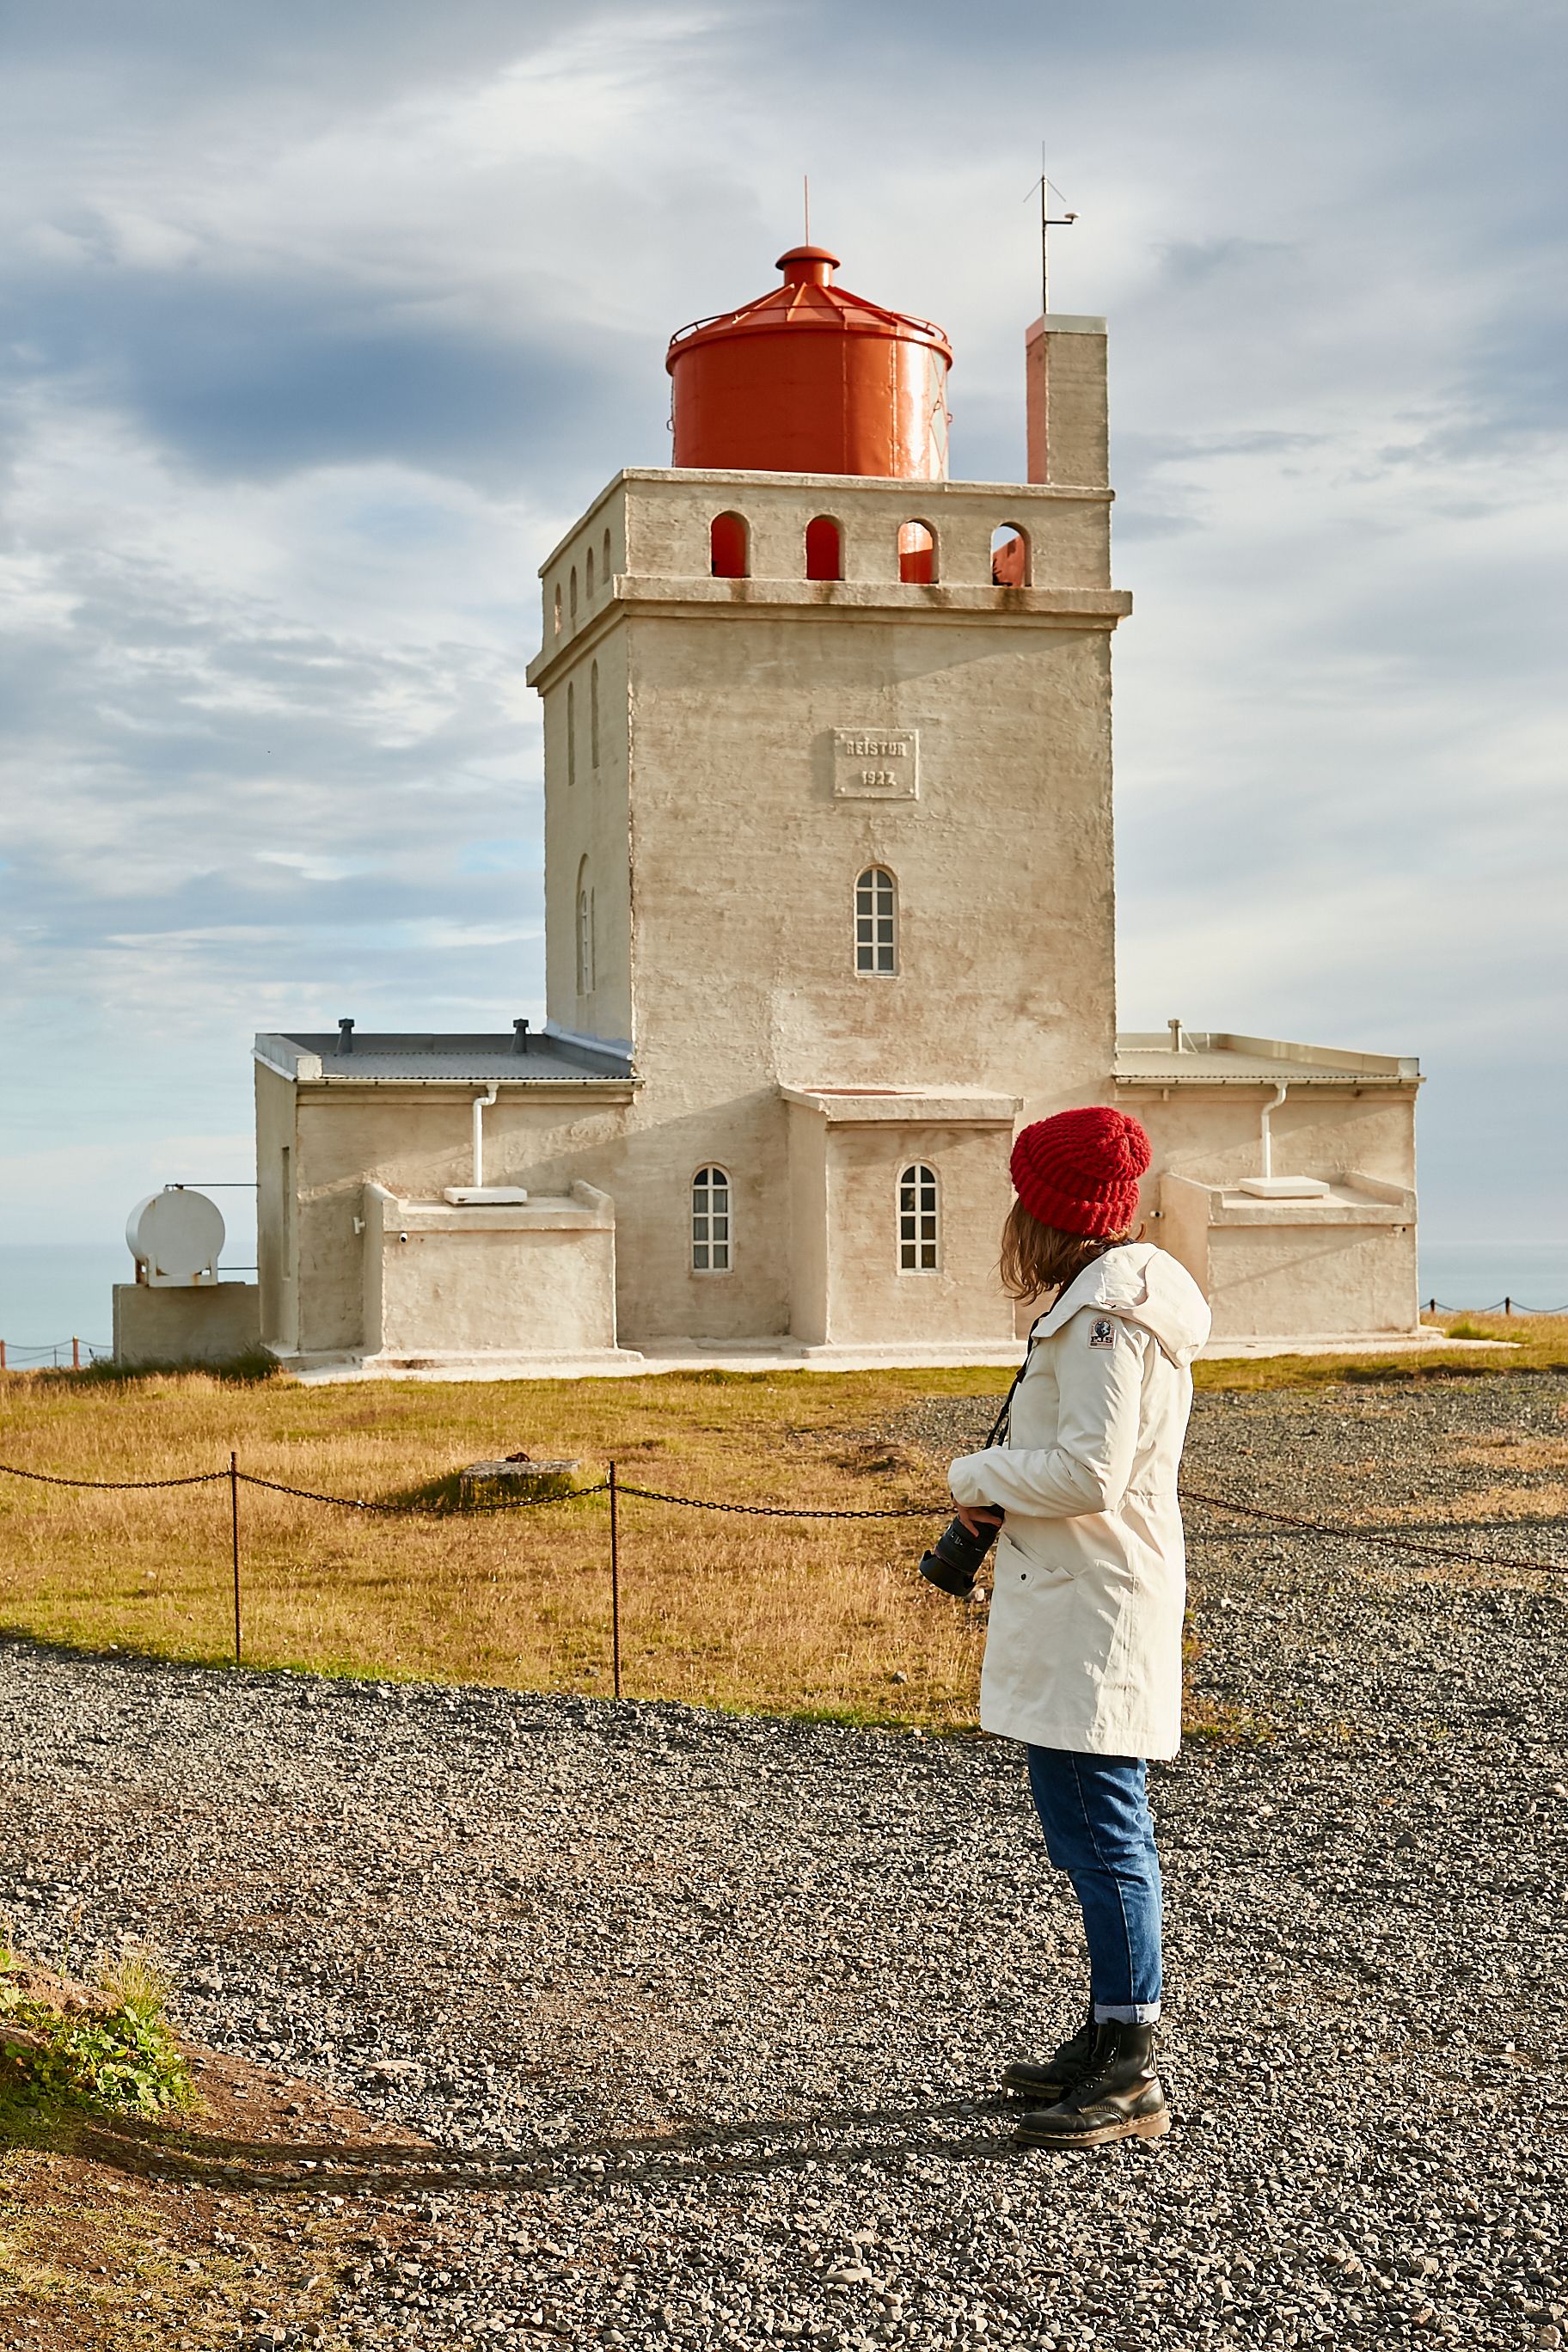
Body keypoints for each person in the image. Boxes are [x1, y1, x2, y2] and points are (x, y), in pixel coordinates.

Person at [946, 1106, 1211, 2148]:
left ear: (1045, 1210)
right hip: (1078, 1598)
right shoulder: (1103, 1300)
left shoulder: (1110, 1317)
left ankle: (1134, 2065)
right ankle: (1109, 2036)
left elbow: (1092, 1473)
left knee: (1106, 1836)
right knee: (1083, 1829)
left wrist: (977, 1473)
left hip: (1095, 1604)